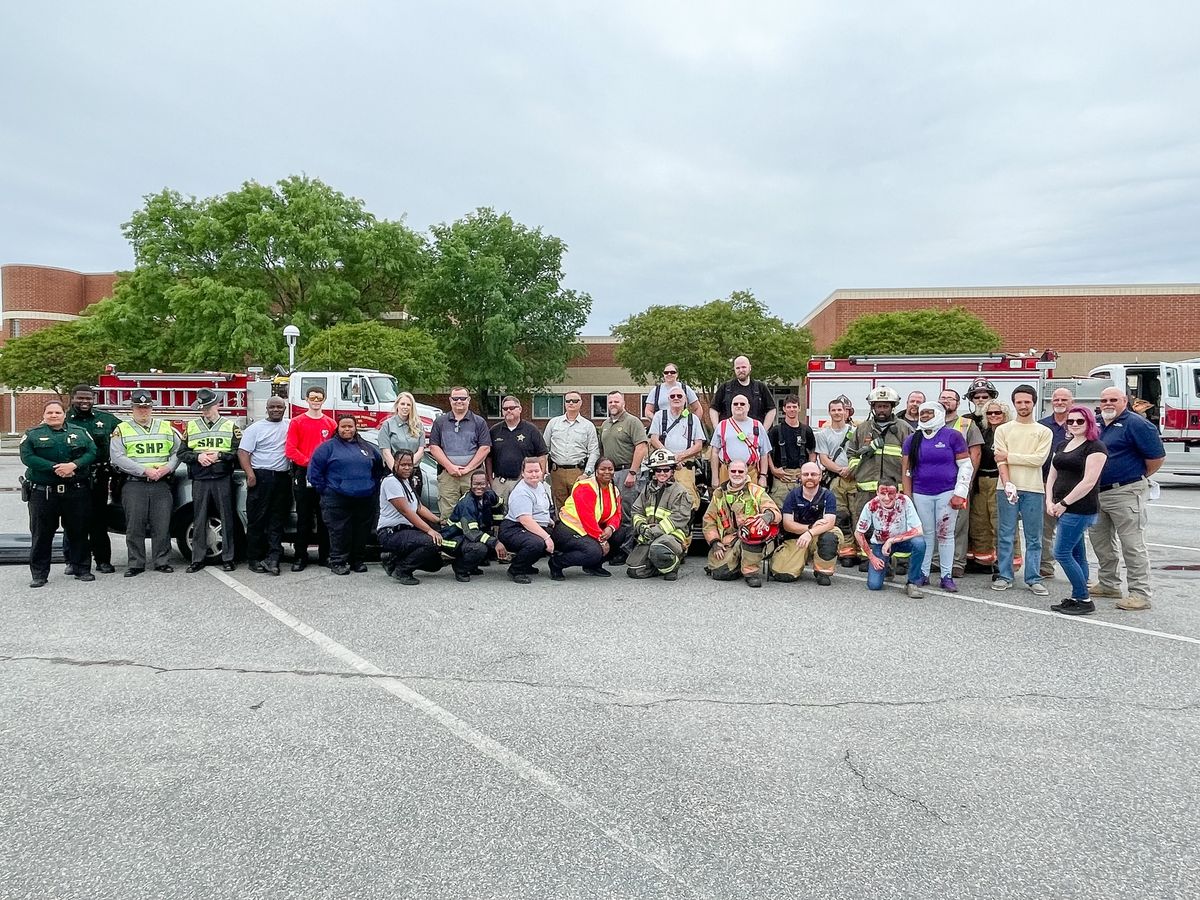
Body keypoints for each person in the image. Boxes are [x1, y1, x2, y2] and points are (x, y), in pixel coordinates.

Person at [1087, 387, 1166, 610]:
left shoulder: (1137, 424)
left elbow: (1156, 458)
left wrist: (1133, 478)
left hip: (1126, 492)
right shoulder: (1098, 423)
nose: (1108, 403)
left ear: (1125, 401)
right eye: (1104, 400)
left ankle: (1140, 593)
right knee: (1101, 542)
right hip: (1097, 493)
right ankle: (1109, 583)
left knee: (1132, 544)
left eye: (1114, 399)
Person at [20, 400, 97, 588]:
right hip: (44, 493)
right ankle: (39, 574)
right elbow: (27, 457)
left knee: (79, 532)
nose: (53, 415)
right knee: (41, 535)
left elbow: (92, 451)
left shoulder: (79, 432)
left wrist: (74, 465)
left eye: (57, 412)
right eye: (50, 413)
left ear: (64, 414)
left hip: (75, 491)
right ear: (44, 415)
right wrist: (55, 468)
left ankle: (81, 569)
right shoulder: (32, 434)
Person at [901, 401, 972, 592]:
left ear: (939, 413)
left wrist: (960, 493)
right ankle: (922, 574)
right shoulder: (912, 439)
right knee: (925, 535)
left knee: (945, 534)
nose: (924, 416)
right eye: (921, 413)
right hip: (920, 493)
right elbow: (906, 470)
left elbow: (966, 465)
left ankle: (946, 576)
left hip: (947, 492)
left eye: (928, 412)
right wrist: (907, 498)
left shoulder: (953, 436)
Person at [110, 389, 181, 577]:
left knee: (162, 524)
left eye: (146, 407)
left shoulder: (166, 427)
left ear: (151, 407)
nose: (143, 410)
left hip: (161, 482)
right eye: (139, 407)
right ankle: (136, 563)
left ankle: (162, 561)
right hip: (135, 483)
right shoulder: (121, 430)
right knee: (134, 525)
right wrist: (144, 470)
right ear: (132, 408)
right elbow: (117, 457)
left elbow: (177, 451)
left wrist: (168, 468)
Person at [1045, 407, 1108, 615]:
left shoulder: (1095, 447)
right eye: (1070, 421)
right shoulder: (1063, 444)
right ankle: (1076, 596)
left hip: (1080, 508)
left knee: (1061, 553)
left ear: (1089, 422)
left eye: (1079, 421)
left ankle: (1083, 598)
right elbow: (1052, 475)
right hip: (1060, 506)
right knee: (1076, 553)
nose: (1074, 424)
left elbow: (1089, 481)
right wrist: (1049, 500)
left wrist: (1063, 503)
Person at [992, 385, 1053, 595]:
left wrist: (1009, 456)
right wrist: (1008, 482)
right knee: (1006, 534)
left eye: (1027, 401)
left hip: (1034, 489)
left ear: (1034, 402)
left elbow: (1038, 460)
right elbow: (999, 461)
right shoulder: (1003, 429)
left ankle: (1033, 577)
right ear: (1014, 403)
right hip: (1006, 489)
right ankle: (1005, 575)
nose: (1023, 405)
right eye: (1019, 402)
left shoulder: (1044, 431)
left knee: (1034, 536)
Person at [307, 413, 386, 576]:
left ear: (355, 427)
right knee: (339, 531)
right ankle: (338, 561)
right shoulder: (327, 447)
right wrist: (326, 490)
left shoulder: (366, 447)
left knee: (361, 531)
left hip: (365, 498)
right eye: (344, 426)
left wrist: (372, 487)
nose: (347, 429)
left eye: (350, 426)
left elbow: (378, 468)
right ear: (338, 428)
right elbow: (314, 473)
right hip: (336, 497)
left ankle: (357, 561)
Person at [846, 386, 912, 570]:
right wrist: (859, 464)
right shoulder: (862, 429)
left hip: (894, 489)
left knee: (897, 523)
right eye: (878, 406)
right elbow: (850, 455)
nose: (881, 410)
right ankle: (867, 558)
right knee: (865, 523)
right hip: (866, 488)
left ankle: (898, 560)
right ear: (872, 407)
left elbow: (912, 458)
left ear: (892, 407)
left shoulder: (904, 429)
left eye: (885, 406)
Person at [179, 388, 242, 573]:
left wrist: (220, 455)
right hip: (200, 478)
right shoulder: (191, 427)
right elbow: (182, 453)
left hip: (222, 477)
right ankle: (197, 558)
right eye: (202, 408)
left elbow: (238, 452)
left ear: (217, 405)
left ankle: (228, 558)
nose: (205, 411)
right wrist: (198, 457)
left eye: (208, 407)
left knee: (226, 518)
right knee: (199, 518)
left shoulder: (231, 426)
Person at [65, 383, 121, 574]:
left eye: (88, 398)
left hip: (99, 477)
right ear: (72, 398)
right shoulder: (62, 419)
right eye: (80, 398)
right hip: (72, 477)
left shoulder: (106, 420)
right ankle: (73, 562)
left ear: (94, 399)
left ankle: (103, 560)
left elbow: (127, 436)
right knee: (73, 521)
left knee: (98, 520)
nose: (84, 402)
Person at [703, 458, 780, 588]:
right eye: (733, 471)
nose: (737, 474)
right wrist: (715, 542)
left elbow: (775, 512)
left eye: (740, 471)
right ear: (728, 472)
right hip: (730, 540)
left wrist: (768, 516)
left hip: (754, 538)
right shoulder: (719, 493)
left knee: (751, 533)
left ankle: (751, 572)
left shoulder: (756, 491)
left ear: (746, 473)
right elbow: (709, 519)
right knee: (720, 573)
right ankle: (738, 563)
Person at [550, 458, 630, 580]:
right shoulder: (585, 486)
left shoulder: (613, 489)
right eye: (603, 469)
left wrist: (610, 528)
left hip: (590, 528)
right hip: (569, 529)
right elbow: (587, 518)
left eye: (610, 469)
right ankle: (556, 563)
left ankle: (593, 566)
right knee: (593, 551)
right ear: (596, 471)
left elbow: (617, 514)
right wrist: (602, 540)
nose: (607, 472)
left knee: (619, 533)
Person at [237, 396, 291, 576]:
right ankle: (254, 558)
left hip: (282, 477)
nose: (276, 410)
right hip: (261, 476)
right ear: (266, 409)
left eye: (279, 407)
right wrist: (250, 474)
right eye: (272, 407)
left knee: (277, 519)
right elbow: (243, 452)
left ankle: (273, 557)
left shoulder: (289, 425)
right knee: (257, 519)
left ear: (285, 409)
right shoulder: (255, 429)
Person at [968, 400, 1022, 573]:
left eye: (997, 413)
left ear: (1005, 414)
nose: (993, 416)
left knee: (1002, 523)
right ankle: (983, 561)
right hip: (980, 480)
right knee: (979, 523)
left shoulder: (1012, 432)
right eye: (989, 413)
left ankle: (1008, 563)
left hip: (1000, 480)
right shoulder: (982, 432)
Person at [285, 385, 336, 571]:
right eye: (312, 397)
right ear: (306, 399)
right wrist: (310, 464)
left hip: (325, 477)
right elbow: (290, 450)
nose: (315, 401)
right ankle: (300, 557)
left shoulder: (331, 424)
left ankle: (325, 556)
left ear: (323, 400)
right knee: (304, 518)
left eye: (319, 398)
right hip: (303, 473)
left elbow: (334, 449)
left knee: (325, 518)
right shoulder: (297, 422)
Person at [378, 451, 447, 586]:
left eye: (409, 465)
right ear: (394, 464)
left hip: (407, 531)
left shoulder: (407, 482)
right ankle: (402, 570)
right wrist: (429, 531)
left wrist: (439, 521)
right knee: (431, 542)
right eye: (403, 464)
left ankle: (393, 559)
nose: (407, 468)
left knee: (435, 564)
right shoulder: (391, 481)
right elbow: (406, 511)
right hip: (390, 532)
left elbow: (419, 508)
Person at [626, 448, 693, 581]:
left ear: (672, 471)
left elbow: (679, 518)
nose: (662, 473)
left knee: (659, 549)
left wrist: (655, 531)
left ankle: (673, 565)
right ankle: (658, 565)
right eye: (658, 470)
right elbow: (636, 511)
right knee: (634, 571)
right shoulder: (647, 490)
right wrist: (642, 527)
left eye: (666, 470)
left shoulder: (681, 492)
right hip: (650, 536)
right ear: (654, 472)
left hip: (671, 538)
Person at [938, 388, 984, 579]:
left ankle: (957, 563)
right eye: (943, 398)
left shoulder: (967, 424)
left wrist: (967, 482)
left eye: (950, 398)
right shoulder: (930, 421)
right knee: (935, 523)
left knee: (958, 525)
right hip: (934, 483)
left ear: (958, 403)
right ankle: (935, 561)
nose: (946, 401)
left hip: (958, 484)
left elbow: (975, 453)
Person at [855, 478, 927, 598]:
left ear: (898, 493)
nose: (887, 498)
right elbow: (858, 533)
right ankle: (887, 565)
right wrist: (872, 558)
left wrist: (891, 540)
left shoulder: (905, 501)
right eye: (883, 493)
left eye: (891, 494)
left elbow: (918, 530)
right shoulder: (871, 506)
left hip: (903, 541)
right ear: (877, 493)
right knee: (874, 585)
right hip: (880, 544)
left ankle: (912, 582)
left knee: (920, 543)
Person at [428, 387, 491, 521]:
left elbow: (485, 448)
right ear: (450, 400)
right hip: (448, 475)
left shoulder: (479, 422)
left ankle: (474, 540)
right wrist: (450, 467)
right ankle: (450, 539)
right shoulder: (440, 422)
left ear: (468, 400)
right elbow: (434, 447)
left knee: (475, 510)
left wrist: (468, 468)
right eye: (455, 398)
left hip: (473, 475)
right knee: (448, 513)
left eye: (463, 398)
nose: (459, 401)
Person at [772, 462, 840, 585]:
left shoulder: (828, 495)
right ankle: (798, 560)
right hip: (797, 540)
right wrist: (810, 527)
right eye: (805, 474)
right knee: (782, 575)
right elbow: (787, 524)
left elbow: (829, 523)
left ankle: (822, 572)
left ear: (820, 476)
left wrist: (810, 533)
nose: (809, 477)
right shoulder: (792, 495)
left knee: (831, 535)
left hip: (817, 537)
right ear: (800, 477)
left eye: (813, 474)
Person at [441, 469, 508, 582]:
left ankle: (472, 566)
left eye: (482, 484)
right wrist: (495, 542)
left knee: (488, 541)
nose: (479, 487)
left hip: (467, 535)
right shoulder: (467, 503)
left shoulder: (489, 494)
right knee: (480, 547)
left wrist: (498, 527)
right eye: (475, 484)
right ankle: (460, 568)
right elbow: (471, 533)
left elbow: (499, 504)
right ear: (470, 485)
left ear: (487, 484)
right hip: (453, 538)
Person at [499, 458, 557, 583]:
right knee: (536, 543)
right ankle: (516, 570)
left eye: (537, 471)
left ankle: (526, 564)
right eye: (530, 471)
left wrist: (549, 521)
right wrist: (547, 538)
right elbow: (525, 520)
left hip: (531, 525)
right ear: (523, 473)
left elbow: (540, 510)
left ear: (542, 472)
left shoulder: (540, 485)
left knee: (559, 536)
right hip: (514, 528)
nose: (534, 474)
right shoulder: (521, 492)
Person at [647, 386, 706, 510]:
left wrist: (680, 456)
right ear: (668, 399)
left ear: (685, 400)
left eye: (679, 396)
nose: (676, 398)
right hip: (664, 467)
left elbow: (699, 445)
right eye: (672, 396)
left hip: (685, 467)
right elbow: (654, 439)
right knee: (663, 501)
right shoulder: (659, 416)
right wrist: (670, 457)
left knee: (687, 501)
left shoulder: (693, 419)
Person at [817, 396, 859, 566]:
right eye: (833, 410)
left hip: (855, 477)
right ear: (829, 412)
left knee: (857, 514)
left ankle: (861, 549)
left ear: (846, 411)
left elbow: (861, 454)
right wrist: (840, 470)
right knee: (841, 515)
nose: (837, 413)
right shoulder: (823, 434)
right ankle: (847, 549)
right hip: (836, 479)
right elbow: (823, 458)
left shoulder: (856, 431)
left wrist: (851, 469)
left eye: (840, 410)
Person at [1038, 387, 1074, 578]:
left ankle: (1076, 570)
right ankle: (1045, 567)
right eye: (1056, 399)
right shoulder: (1042, 425)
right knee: (1045, 529)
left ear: (1072, 402)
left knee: (1072, 531)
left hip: (1073, 488)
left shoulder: (1078, 423)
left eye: (1064, 400)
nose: (1060, 403)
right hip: (1046, 485)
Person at [542, 391, 599, 509]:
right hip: (557, 472)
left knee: (579, 506)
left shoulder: (588, 426)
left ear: (581, 403)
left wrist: (586, 474)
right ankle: (559, 528)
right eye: (568, 401)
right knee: (559, 506)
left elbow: (594, 452)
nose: (571, 403)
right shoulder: (553, 423)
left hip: (578, 472)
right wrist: (544, 469)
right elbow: (544, 448)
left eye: (575, 401)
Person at [488, 395, 547, 505]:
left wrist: (540, 477)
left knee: (523, 513)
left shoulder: (531, 430)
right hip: (501, 483)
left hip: (525, 482)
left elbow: (541, 456)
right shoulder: (494, 431)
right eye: (505, 409)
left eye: (512, 408)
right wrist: (491, 481)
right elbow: (489, 458)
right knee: (499, 516)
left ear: (519, 409)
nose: (508, 411)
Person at [599, 392, 649, 515]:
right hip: (608, 473)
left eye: (616, 401)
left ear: (623, 403)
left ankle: (630, 534)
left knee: (627, 510)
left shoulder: (633, 422)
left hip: (626, 472)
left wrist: (632, 472)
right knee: (609, 508)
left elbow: (641, 447)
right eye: (610, 402)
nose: (613, 404)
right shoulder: (605, 424)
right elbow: (601, 451)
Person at [710, 395, 772, 487]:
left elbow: (764, 453)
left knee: (750, 500)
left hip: (750, 471)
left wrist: (763, 476)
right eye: (735, 404)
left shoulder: (757, 425)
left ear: (748, 407)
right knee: (726, 500)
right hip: (726, 471)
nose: (739, 406)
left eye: (742, 404)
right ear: (731, 407)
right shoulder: (722, 425)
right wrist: (715, 477)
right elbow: (714, 452)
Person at [767, 394, 816, 507]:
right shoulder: (775, 431)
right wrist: (773, 470)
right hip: (782, 477)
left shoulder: (806, 430)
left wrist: (808, 471)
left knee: (804, 509)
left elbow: (813, 452)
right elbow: (766, 453)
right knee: (778, 510)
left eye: (794, 407)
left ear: (799, 408)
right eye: (788, 407)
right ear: (784, 409)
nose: (792, 409)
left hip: (801, 476)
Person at [709, 356, 777, 429]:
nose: (741, 370)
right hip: (729, 436)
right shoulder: (725, 387)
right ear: (734, 369)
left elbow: (772, 409)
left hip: (754, 436)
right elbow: (713, 409)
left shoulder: (760, 387)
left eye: (744, 367)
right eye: (738, 368)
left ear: (750, 368)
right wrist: (717, 430)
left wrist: (763, 431)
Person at [377, 392, 426, 492]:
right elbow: (386, 453)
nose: (405, 407)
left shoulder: (419, 426)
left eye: (408, 404)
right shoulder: (387, 425)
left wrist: (408, 468)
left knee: (414, 505)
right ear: (397, 405)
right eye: (402, 404)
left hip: (414, 473)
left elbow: (421, 451)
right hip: (393, 472)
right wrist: (397, 472)